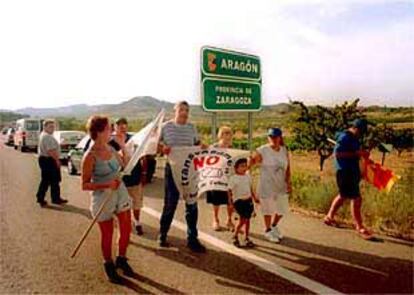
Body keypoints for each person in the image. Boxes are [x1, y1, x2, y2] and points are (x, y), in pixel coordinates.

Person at [81, 115, 134, 284]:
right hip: (103, 197)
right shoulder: (90, 156)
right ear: (98, 132)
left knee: (126, 228)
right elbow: (84, 185)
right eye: (107, 128)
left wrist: (124, 147)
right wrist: (105, 185)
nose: (111, 130)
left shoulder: (111, 149)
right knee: (107, 233)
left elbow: (125, 165)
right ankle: (109, 265)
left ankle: (122, 259)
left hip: (120, 192)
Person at [158, 100, 207, 252]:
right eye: (181, 110)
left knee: (192, 204)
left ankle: (192, 239)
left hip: (190, 170)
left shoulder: (192, 127)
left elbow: (197, 143)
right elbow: (156, 144)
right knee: (170, 204)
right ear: (175, 111)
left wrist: (203, 146)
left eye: (187, 110)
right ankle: (163, 234)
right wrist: (162, 148)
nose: (184, 113)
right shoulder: (166, 127)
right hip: (172, 170)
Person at [324, 118, 373, 240]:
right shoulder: (345, 137)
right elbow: (338, 154)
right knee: (356, 198)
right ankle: (360, 227)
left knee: (343, 195)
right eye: (361, 131)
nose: (361, 134)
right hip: (345, 171)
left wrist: (361, 156)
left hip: (350, 170)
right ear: (356, 128)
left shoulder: (353, 137)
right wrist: (357, 154)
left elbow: (354, 152)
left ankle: (329, 217)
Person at [250, 128, 292, 243]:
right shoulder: (262, 150)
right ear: (268, 138)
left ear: (280, 137)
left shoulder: (284, 150)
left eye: (275, 137)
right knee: (268, 209)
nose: (273, 139)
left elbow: (288, 168)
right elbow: (251, 163)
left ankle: (274, 226)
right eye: (271, 137)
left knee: (282, 209)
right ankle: (267, 230)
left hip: (280, 184)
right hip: (267, 184)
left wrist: (289, 182)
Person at [109, 117, 147, 236]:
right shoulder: (110, 142)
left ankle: (137, 223)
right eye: (120, 125)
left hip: (135, 177)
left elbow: (142, 156)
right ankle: (124, 227)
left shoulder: (133, 139)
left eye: (124, 125)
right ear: (115, 127)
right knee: (121, 206)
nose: (123, 127)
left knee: (136, 204)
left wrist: (144, 173)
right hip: (120, 180)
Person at [206, 126, 235, 231]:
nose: (227, 135)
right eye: (225, 133)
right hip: (217, 177)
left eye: (229, 133)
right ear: (220, 134)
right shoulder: (214, 147)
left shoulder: (232, 148)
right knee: (216, 201)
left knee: (230, 200)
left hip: (230, 177)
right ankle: (216, 219)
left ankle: (229, 220)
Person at [228, 158, 259, 248]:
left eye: (245, 166)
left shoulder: (247, 176)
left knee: (248, 220)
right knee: (242, 220)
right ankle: (235, 235)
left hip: (248, 201)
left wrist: (254, 198)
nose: (244, 168)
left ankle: (246, 237)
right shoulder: (233, 178)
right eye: (242, 166)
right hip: (239, 201)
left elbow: (250, 188)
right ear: (236, 168)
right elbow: (229, 191)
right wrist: (230, 203)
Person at [36, 119, 68, 207]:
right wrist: (57, 161)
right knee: (50, 180)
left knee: (51, 180)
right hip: (48, 160)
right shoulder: (47, 136)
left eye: (53, 127)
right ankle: (44, 198)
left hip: (46, 159)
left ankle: (54, 198)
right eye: (50, 126)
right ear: (45, 127)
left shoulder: (45, 135)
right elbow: (51, 151)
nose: (52, 128)